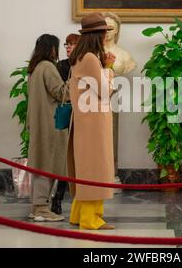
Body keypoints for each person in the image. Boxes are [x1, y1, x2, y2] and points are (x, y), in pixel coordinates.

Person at [67, 12, 116, 230]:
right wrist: (109, 70)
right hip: (93, 122)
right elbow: (105, 92)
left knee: (87, 168)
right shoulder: (90, 59)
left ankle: (79, 215)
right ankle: (90, 219)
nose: (106, 35)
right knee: (95, 168)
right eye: (104, 32)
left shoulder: (80, 57)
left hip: (86, 121)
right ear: (97, 35)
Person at [27, 34, 69, 222]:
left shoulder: (35, 68)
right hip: (50, 123)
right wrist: (74, 78)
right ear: (52, 49)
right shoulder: (48, 67)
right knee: (47, 165)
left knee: (40, 164)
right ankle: (42, 208)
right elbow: (62, 93)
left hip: (38, 122)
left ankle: (36, 207)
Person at [50, 33, 80, 215]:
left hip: (83, 114)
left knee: (80, 160)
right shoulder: (61, 66)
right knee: (64, 162)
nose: (68, 47)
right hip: (66, 115)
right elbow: (60, 92)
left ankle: (80, 201)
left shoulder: (86, 63)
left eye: (72, 44)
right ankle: (58, 198)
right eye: (67, 44)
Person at [102, 11, 136, 76]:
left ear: (116, 30)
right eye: (104, 28)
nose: (106, 31)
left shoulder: (125, 55)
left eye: (110, 28)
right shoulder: (93, 52)